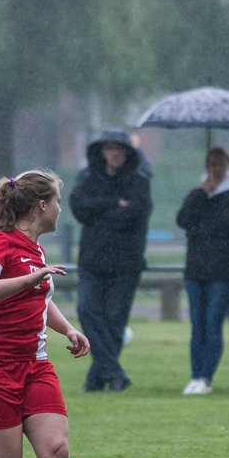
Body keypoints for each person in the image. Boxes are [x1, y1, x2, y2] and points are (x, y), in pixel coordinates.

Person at [0, 171, 99, 458]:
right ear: (41, 206)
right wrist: (32, 277)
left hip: (35, 367)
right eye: (56, 201)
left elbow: (39, 298)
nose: (59, 208)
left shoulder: (35, 251)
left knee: (56, 451)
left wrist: (68, 328)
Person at [69, 130, 152, 393]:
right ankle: (114, 374)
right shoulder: (88, 179)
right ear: (101, 152)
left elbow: (134, 216)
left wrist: (99, 213)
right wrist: (114, 203)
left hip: (125, 264)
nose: (114, 153)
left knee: (114, 321)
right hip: (92, 261)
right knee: (87, 311)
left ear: (127, 152)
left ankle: (97, 379)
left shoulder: (139, 182)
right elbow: (78, 207)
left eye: (119, 149)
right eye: (109, 148)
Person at [176, 147, 229, 395]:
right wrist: (201, 196)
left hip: (224, 270)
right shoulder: (199, 194)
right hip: (197, 269)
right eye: (211, 164)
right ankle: (195, 375)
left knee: (212, 322)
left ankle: (206, 376)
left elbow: (227, 225)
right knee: (197, 324)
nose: (215, 169)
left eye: (220, 164)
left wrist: (203, 224)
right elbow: (184, 219)